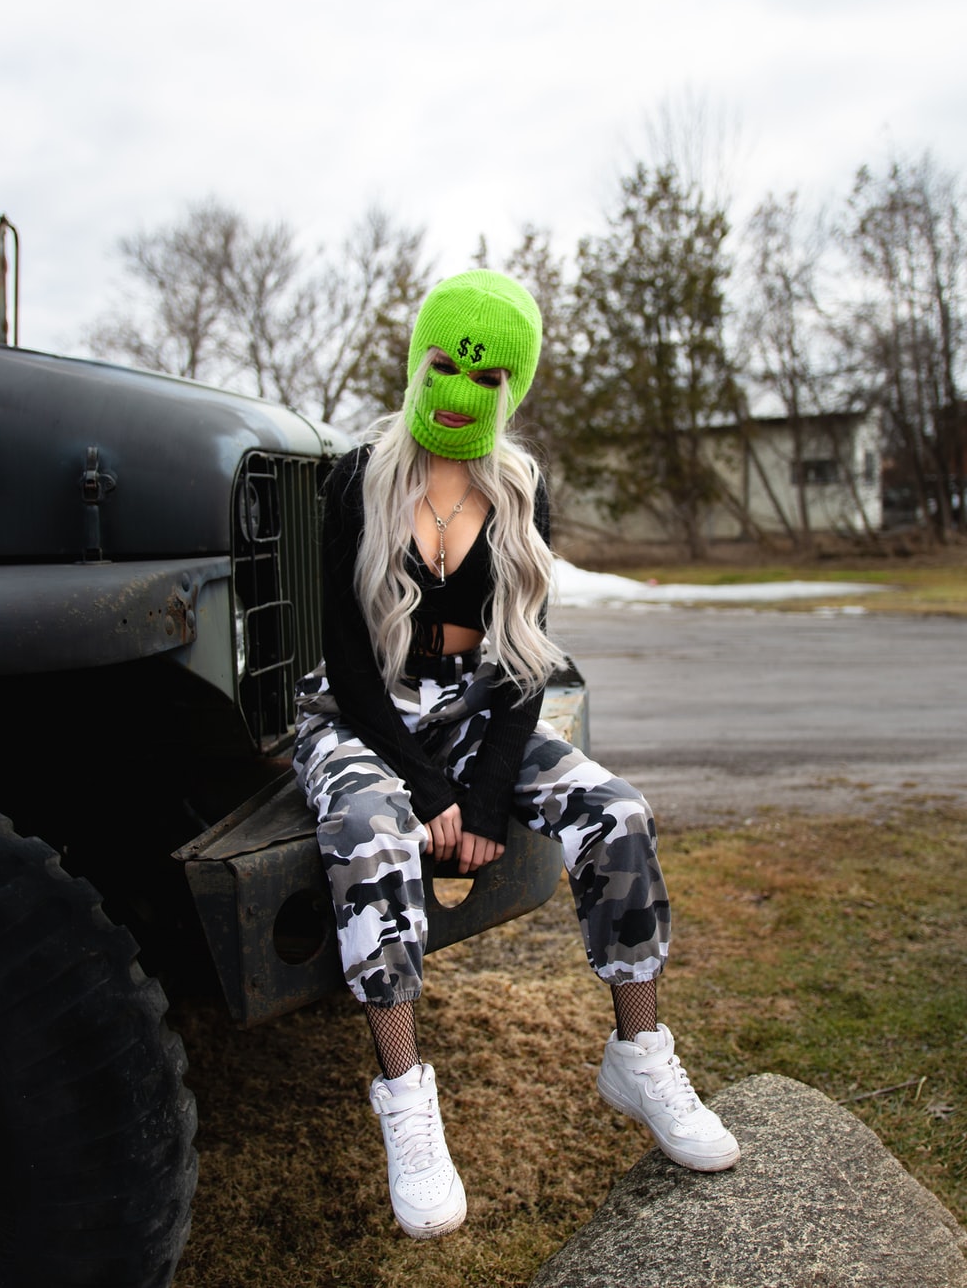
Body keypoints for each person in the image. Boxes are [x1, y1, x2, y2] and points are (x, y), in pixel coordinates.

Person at [292, 269, 739, 1241]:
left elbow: (523, 663)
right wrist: (422, 787)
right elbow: (346, 662)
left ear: (514, 385)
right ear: (418, 358)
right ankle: (405, 1097)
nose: (460, 385)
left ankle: (640, 1052)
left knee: (615, 812)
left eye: (486, 373)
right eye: (445, 361)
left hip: (476, 708)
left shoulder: (521, 489)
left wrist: (485, 796)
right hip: (366, 714)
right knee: (371, 837)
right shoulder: (355, 478)